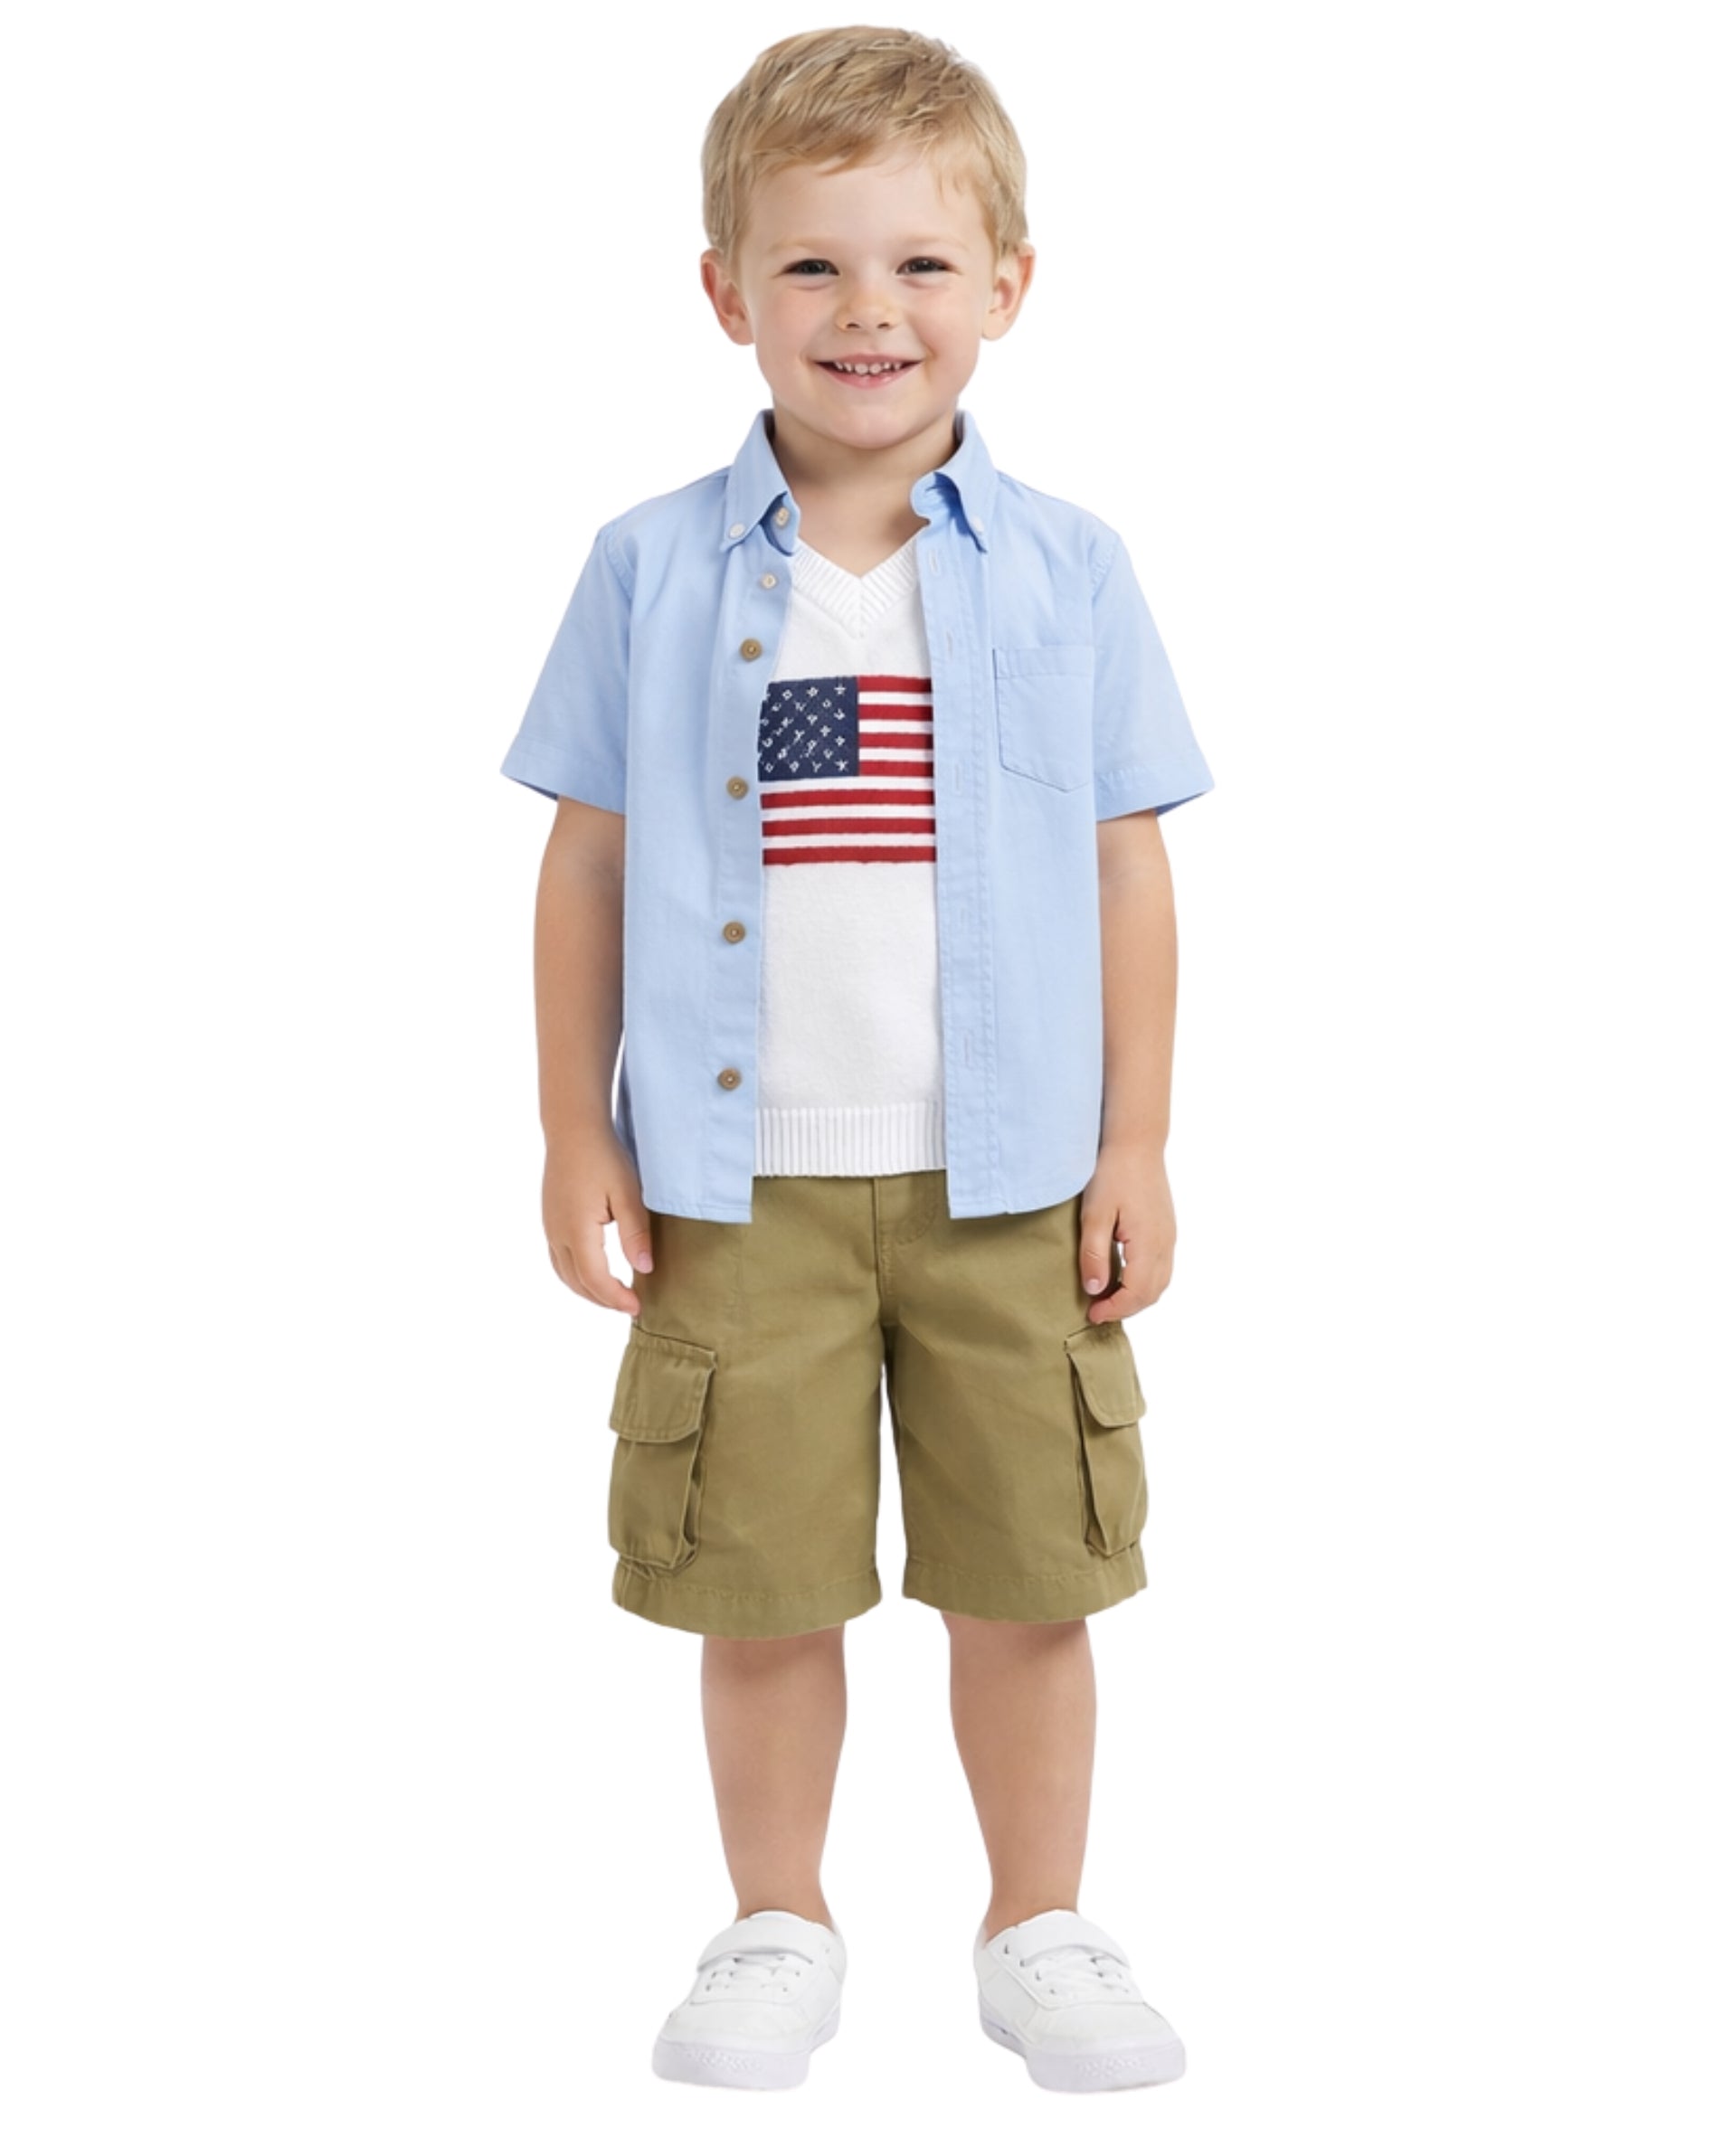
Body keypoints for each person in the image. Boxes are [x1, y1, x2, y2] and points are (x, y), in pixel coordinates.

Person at [499, 25, 1214, 2095]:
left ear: (1007, 284)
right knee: (760, 1583)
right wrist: (568, 1127)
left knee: (1028, 1580)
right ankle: (775, 1919)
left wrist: (1138, 1137)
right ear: (723, 289)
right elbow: (585, 860)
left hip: (1012, 1180)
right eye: (808, 264)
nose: (864, 311)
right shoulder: (647, 567)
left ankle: (1037, 1922)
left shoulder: (1069, 569)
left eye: (916, 263)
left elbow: (1126, 864)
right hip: (738, 1189)